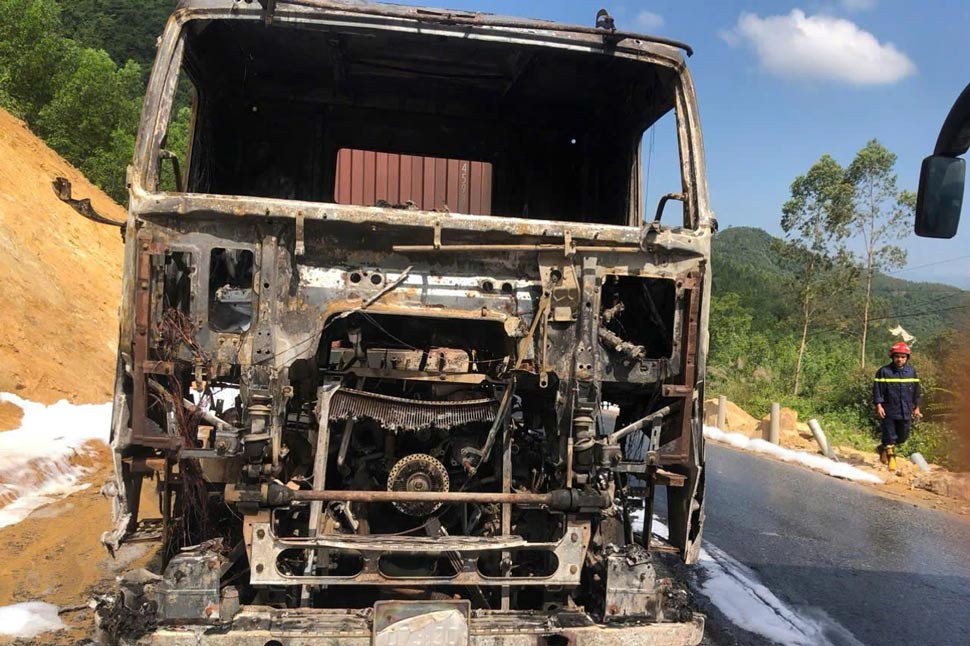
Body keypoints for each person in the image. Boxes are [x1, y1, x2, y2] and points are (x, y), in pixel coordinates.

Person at [873, 342, 922, 470]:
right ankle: (892, 461)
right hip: (888, 410)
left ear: (907, 358)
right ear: (892, 357)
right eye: (897, 356)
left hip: (905, 410)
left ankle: (881, 448)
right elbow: (877, 390)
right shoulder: (884, 371)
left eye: (903, 357)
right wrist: (879, 405)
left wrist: (916, 407)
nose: (899, 359)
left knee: (902, 437)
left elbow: (916, 391)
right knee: (889, 435)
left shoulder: (911, 372)